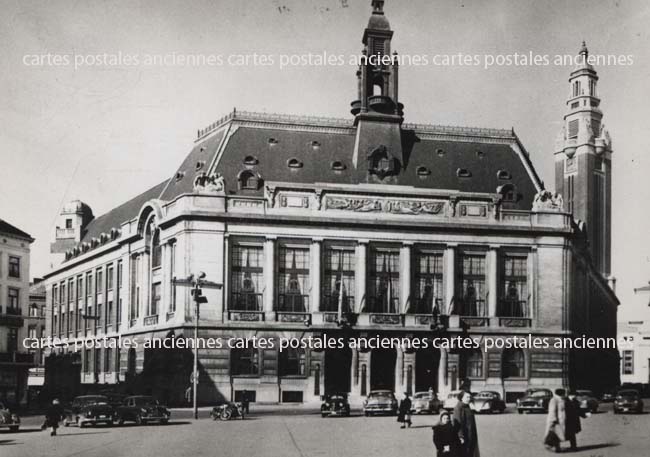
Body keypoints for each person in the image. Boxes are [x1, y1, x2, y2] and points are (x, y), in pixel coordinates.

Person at [453, 390, 480, 457]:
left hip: (470, 434)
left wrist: (474, 406)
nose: (469, 399)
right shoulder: (458, 408)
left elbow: (477, 409)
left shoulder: (468, 406)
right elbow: (457, 423)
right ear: (462, 398)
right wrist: (460, 436)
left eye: (469, 397)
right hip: (464, 436)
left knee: (471, 452)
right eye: (467, 397)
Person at [545, 388, 568, 453]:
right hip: (555, 420)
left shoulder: (561, 399)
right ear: (561, 393)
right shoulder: (554, 400)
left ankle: (557, 448)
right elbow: (552, 410)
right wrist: (553, 420)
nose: (565, 394)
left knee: (557, 435)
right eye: (564, 393)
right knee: (555, 434)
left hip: (560, 420)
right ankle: (553, 447)